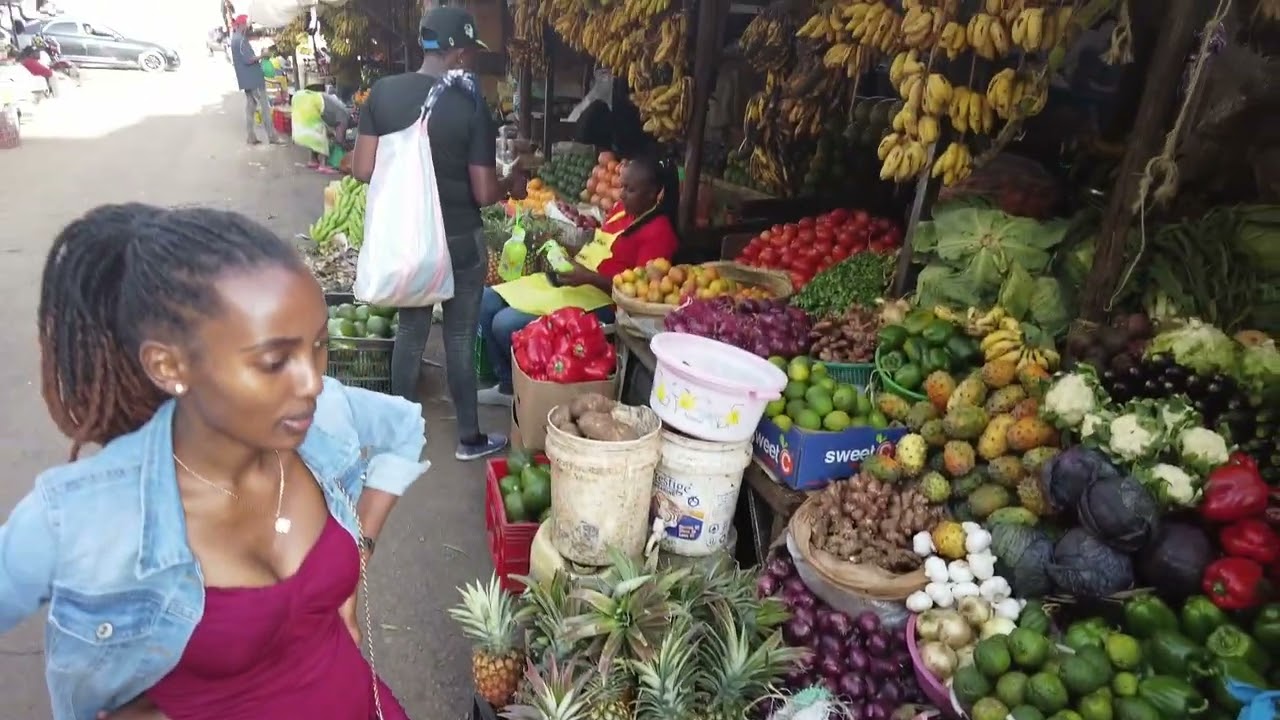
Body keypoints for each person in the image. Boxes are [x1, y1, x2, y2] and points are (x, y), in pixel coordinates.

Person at [0, 204, 422, 720]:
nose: (311, 380)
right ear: (169, 365)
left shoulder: (318, 422)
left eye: (318, 346)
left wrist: (357, 558)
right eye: (273, 361)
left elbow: (405, 430)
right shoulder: (79, 516)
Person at [352, 6, 520, 462]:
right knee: (460, 339)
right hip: (460, 240)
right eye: (468, 52)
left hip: (410, 242)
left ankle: (398, 438)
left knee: (411, 331)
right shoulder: (469, 103)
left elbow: (363, 169)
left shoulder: (383, 94)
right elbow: (485, 192)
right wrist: (512, 181)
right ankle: (469, 439)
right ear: (459, 51)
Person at [477, 154, 680, 406]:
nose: (622, 195)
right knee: (485, 300)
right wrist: (559, 250)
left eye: (631, 189)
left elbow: (638, 295)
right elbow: (596, 248)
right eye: (622, 187)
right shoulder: (621, 212)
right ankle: (507, 386)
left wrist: (587, 277)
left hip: (600, 302)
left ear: (655, 194)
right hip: (574, 282)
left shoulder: (660, 234)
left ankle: (527, 392)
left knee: (505, 323)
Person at [229, 15, 284, 146]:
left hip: (246, 80)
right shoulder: (240, 40)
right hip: (253, 79)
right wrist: (262, 55)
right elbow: (248, 59)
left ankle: (251, 136)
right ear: (243, 25)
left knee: (250, 108)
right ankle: (272, 136)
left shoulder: (236, 39)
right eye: (247, 25)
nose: (248, 27)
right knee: (265, 107)